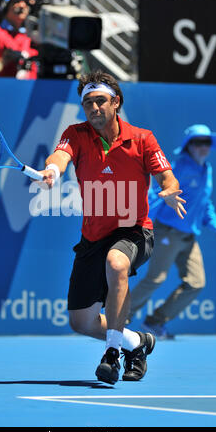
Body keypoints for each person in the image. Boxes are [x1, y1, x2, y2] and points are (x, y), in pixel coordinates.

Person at [35, 71, 186, 385]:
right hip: (93, 237)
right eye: (88, 102)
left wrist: (170, 188)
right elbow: (61, 154)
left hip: (134, 231)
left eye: (100, 101)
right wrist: (52, 169)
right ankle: (138, 343)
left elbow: (166, 176)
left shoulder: (142, 139)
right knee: (82, 322)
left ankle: (112, 354)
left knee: (116, 263)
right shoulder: (76, 134)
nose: (94, 108)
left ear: (116, 102)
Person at [127, 124, 216, 339]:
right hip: (167, 233)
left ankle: (155, 322)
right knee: (155, 279)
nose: (203, 147)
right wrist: (140, 224)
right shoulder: (178, 168)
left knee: (196, 283)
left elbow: (204, 202)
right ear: (188, 146)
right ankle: (119, 319)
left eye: (207, 142)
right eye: (198, 142)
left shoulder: (206, 169)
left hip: (189, 236)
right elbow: (157, 196)